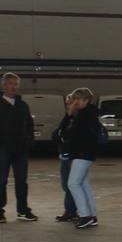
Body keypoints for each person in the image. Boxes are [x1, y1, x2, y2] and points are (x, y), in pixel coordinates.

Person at [0, 72, 36, 223]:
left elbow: (29, 125)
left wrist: (29, 140)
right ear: (4, 85)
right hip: (3, 150)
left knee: (21, 181)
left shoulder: (22, 105)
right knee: (1, 180)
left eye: (16, 84)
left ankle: (23, 211)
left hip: (21, 150)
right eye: (11, 84)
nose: (14, 87)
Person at [59, 88, 102, 229]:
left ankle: (85, 216)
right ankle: (92, 216)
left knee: (73, 184)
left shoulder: (86, 115)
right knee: (83, 184)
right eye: (74, 99)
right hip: (82, 154)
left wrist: (70, 118)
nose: (75, 101)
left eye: (78, 99)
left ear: (86, 100)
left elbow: (68, 134)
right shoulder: (84, 114)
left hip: (82, 154)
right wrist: (70, 115)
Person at [52, 94, 79, 222]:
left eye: (71, 103)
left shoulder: (78, 119)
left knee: (71, 185)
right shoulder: (67, 119)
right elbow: (56, 134)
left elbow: (64, 135)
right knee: (65, 186)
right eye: (67, 104)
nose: (69, 106)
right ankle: (70, 211)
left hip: (74, 158)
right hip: (64, 157)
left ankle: (71, 211)